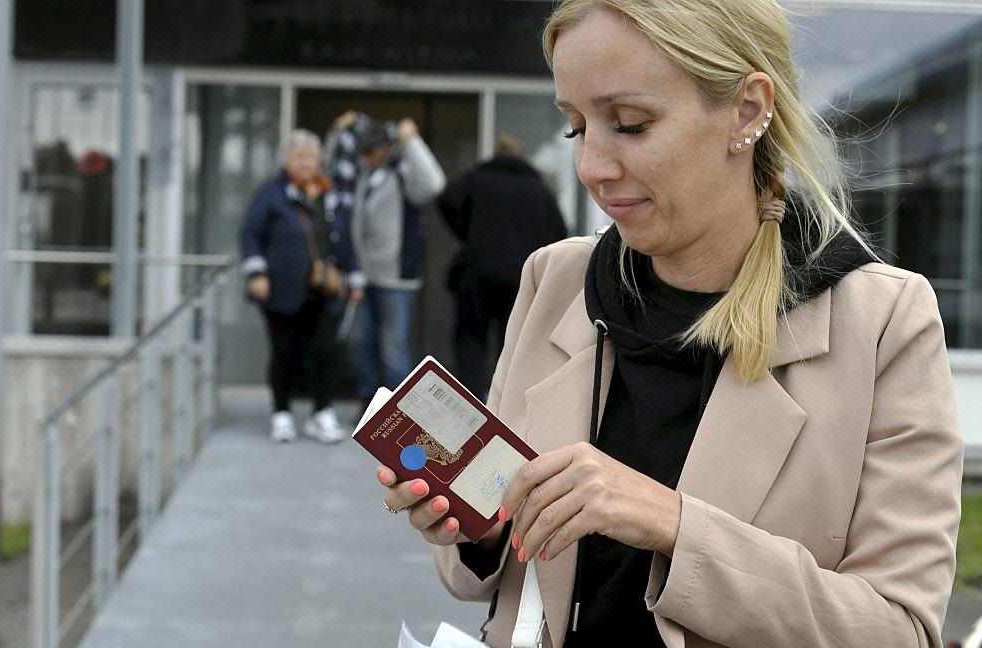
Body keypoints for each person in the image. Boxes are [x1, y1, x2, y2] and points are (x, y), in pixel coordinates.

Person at [374, 2, 964, 647]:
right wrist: (482, 527)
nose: (591, 166)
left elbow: (899, 629)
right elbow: (485, 577)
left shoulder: (882, 321)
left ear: (747, 111)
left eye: (630, 124)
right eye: (576, 127)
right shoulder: (555, 280)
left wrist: (673, 523)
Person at [240, 129, 356, 444]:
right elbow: (250, 234)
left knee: (325, 351)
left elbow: (344, 237)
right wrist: (256, 273)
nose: (305, 163)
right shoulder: (271, 193)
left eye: (311, 157)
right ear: (287, 159)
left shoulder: (330, 193)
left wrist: (352, 275)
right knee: (284, 353)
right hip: (282, 291)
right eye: (299, 157)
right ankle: (281, 414)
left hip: (325, 289)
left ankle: (322, 413)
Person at [438, 135, 568, 401]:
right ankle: (505, 407)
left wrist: (466, 231)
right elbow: (559, 232)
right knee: (512, 346)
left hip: (477, 272)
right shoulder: (538, 189)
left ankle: (469, 404)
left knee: (471, 339)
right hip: (520, 276)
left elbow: (446, 198)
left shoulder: (477, 179)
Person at [330, 113, 446, 406]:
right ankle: (368, 404)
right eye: (362, 152)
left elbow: (434, 183)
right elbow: (327, 168)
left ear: (385, 148)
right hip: (362, 276)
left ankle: (397, 411)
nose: (365, 158)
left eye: (371, 152)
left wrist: (412, 141)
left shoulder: (404, 174)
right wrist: (336, 133)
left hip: (396, 278)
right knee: (361, 344)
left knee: (393, 349)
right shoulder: (358, 175)